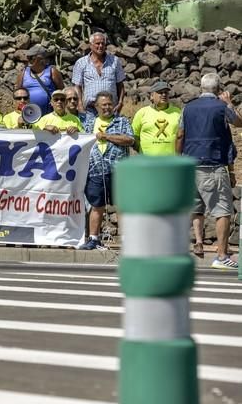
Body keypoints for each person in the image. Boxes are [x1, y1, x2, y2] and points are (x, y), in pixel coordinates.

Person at [176, 73, 242, 269]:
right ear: (219, 88)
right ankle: (221, 256)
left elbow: (180, 134)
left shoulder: (188, 108)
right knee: (223, 211)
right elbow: (239, 122)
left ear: (201, 88)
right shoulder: (222, 107)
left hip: (189, 164)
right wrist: (229, 103)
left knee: (196, 207)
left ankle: (192, 243)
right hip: (212, 164)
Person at [79, 91, 134, 250]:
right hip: (96, 170)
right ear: (96, 107)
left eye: (110, 104)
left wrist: (107, 136)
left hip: (119, 171)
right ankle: (93, 238)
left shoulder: (121, 121)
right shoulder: (89, 123)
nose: (107, 107)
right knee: (96, 205)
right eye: (104, 105)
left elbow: (129, 140)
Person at [72, 32, 126, 115]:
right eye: (97, 43)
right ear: (90, 45)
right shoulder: (81, 63)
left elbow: (120, 84)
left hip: (111, 108)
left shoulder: (115, 61)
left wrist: (120, 103)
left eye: (103, 44)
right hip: (90, 109)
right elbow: (77, 86)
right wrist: (79, 104)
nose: (100, 46)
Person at [132, 81, 181, 156]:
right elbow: (134, 136)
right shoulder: (142, 113)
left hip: (171, 162)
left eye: (166, 92)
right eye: (160, 92)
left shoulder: (177, 112)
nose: (164, 95)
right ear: (152, 96)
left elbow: (182, 136)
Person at [15, 45, 64, 115]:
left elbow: (62, 92)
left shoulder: (52, 71)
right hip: (29, 116)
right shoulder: (23, 73)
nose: (27, 59)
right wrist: (21, 113)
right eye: (27, 57)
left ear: (40, 58)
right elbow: (17, 96)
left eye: (31, 57)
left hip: (49, 116)